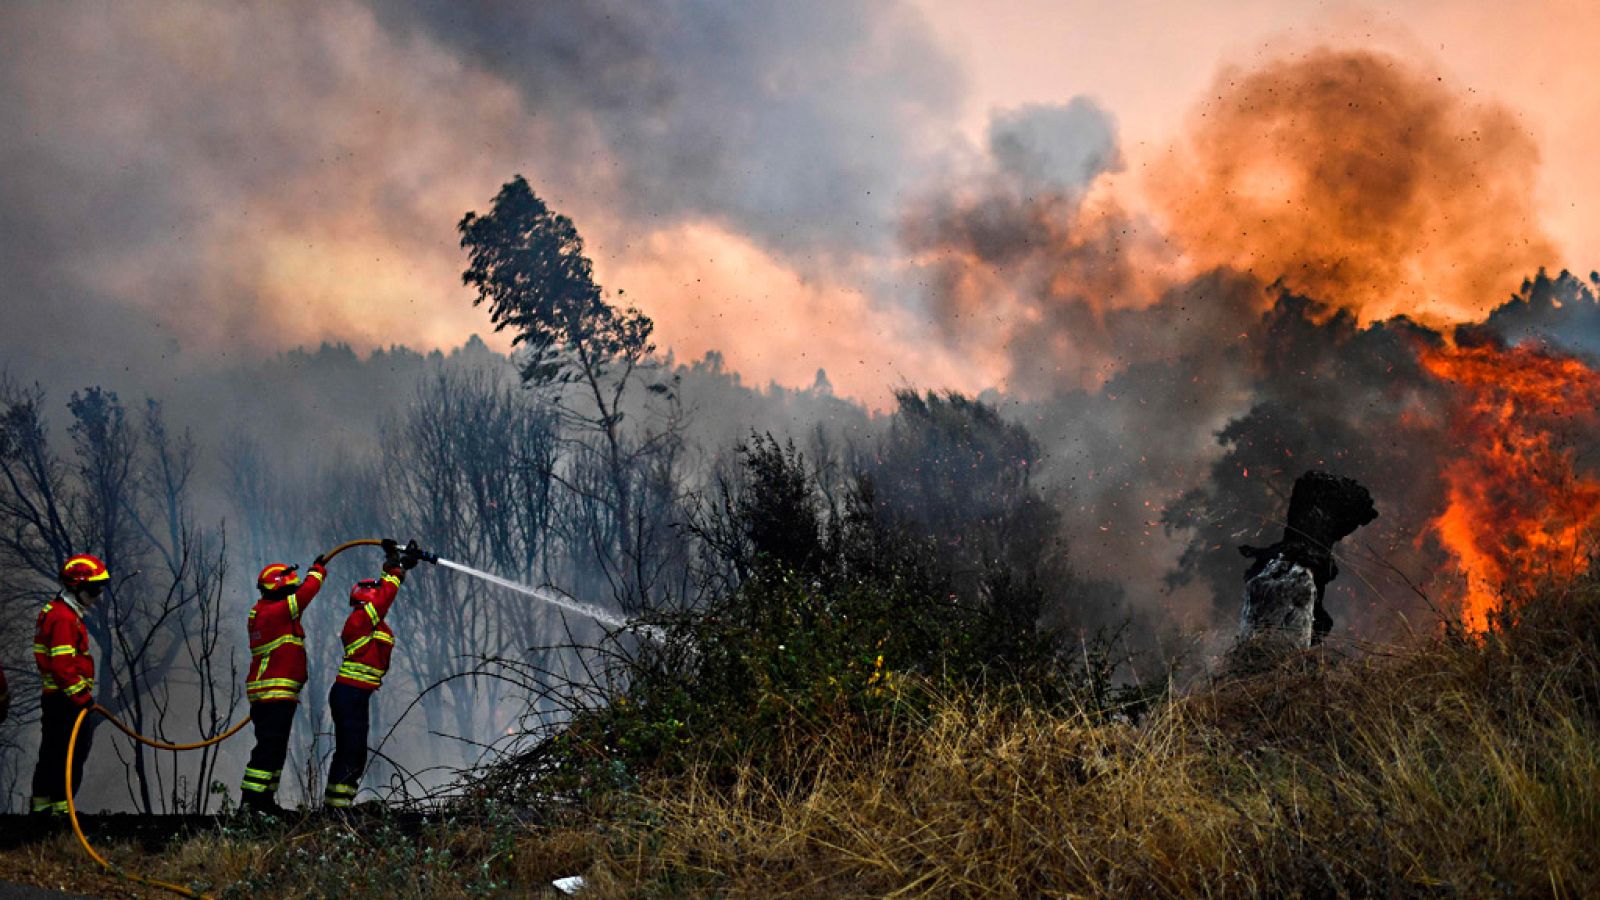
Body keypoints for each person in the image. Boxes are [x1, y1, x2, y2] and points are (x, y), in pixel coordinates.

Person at [324, 539, 420, 810]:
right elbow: (384, 597)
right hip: (349, 695)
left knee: (352, 752)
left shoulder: (369, 621)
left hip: (354, 696)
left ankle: (336, 807)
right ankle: (337, 810)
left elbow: (384, 597)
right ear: (366, 598)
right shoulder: (359, 620)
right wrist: (395, 572)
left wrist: (396, 568)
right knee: (351, 752)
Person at [239, 555, 328, 815]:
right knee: (268, 749)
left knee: (274, 749)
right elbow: (306, 594)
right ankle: (251, 804)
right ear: (278, 588)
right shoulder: (274, 612)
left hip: (276, 695)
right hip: (272, 695)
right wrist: (318, 571)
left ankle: (264, 802)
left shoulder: (268, 613)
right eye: (288, 588)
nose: (292, 593)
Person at [30, 554, 107, 815]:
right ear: (76, 586)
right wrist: (83, 698)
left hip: (57, 698)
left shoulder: (57, 612)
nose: (97, 595)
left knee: (52, 752)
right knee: (70, 755)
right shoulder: (64, 618)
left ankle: (43, 807)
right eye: (94, 588)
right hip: (66, 701)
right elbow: (63, 668)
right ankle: (62, 810)